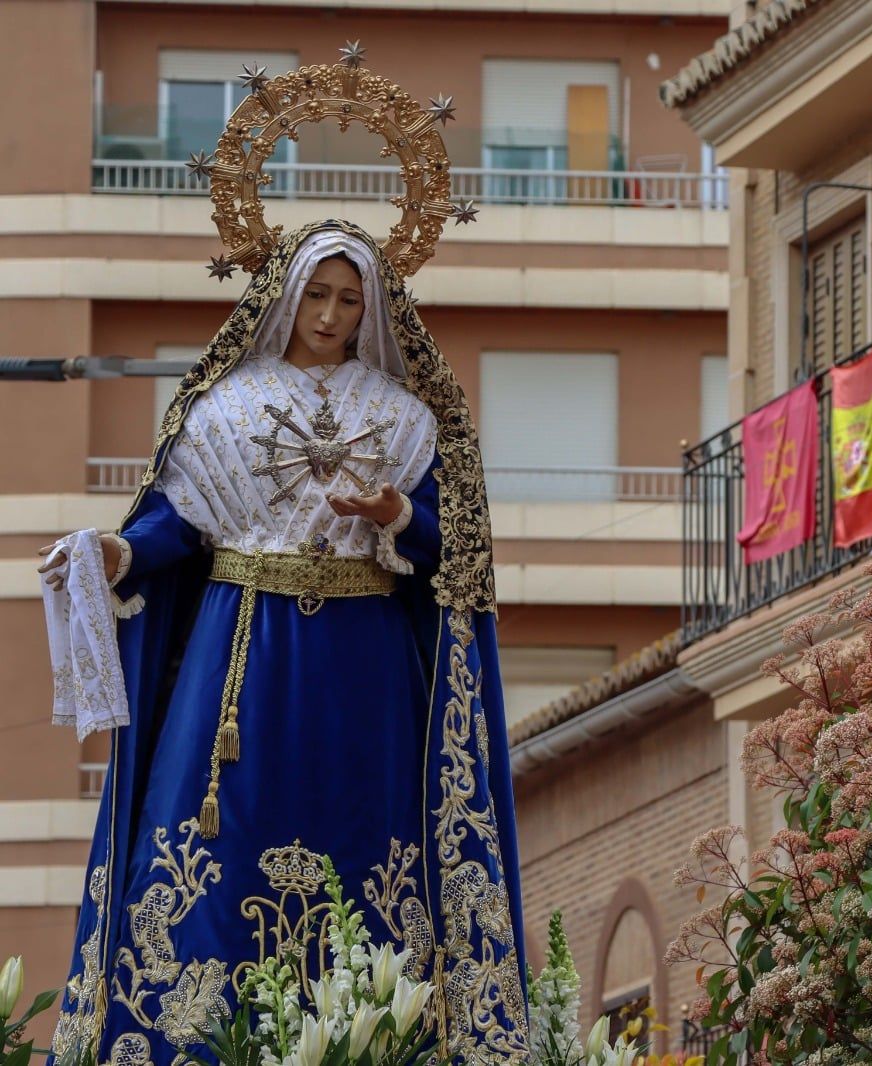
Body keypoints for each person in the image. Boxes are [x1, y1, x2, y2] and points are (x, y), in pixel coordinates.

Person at [37, 221, 529, 1066]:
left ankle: (383, 1032)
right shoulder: (223, 405)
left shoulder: (407, 419)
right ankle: (193, 1035)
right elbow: (175, 524)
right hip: (244, 658)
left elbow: (463, 554)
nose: (330, 315)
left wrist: (397, 517)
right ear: (283, 295)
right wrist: (115, 553)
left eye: (349, 298)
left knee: (374, 844)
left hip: (366, 667)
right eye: (316, 293)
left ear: (372, 307)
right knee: (218, 845)